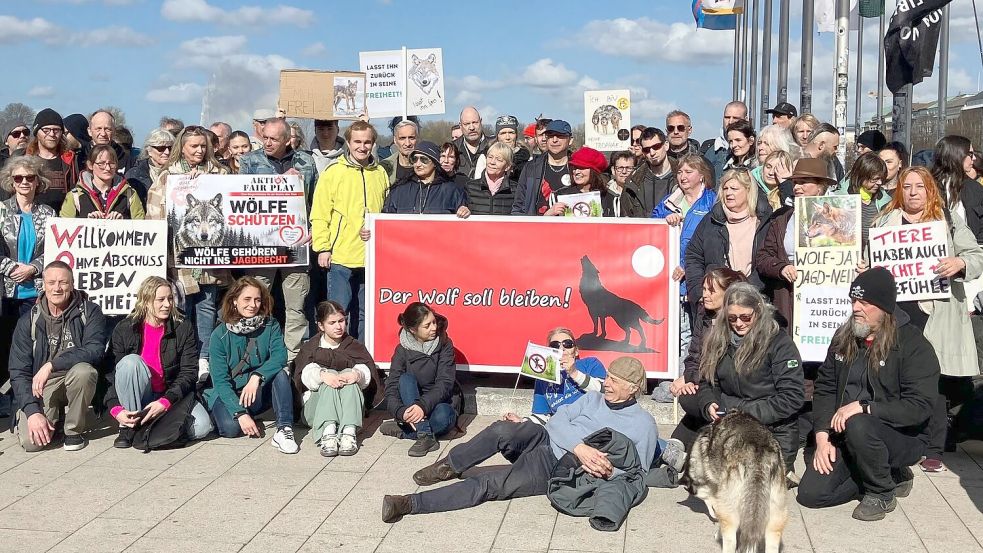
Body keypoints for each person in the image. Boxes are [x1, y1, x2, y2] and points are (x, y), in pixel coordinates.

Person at [381, 356, 659, 523]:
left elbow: (637, 473)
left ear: (633, 388)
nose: (606, 383)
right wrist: (580, 447)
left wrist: (604, 470)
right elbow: (558, 421)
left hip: (557, 467)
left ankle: (409, 504)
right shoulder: (593, 399)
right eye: (607, 377)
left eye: (614, 381)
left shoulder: (643, 424)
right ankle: (449, 466)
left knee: (489, 484)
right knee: (502, 429)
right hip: (547, 439)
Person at [797, 268, 938, 522]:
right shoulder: (844, 337)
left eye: (864, 302)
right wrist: (822, 436)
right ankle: (883, 473)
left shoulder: (912, 344)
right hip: (845, 433)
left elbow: (919, 406)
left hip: (900, 435)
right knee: (811, 495)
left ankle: (881, 491)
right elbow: (826, 387)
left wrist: (865, 407)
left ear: (884, 307)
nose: (856, 308)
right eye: (853, 300)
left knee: (859, 423)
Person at [869, 167, 983, 472]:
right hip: (895, 312)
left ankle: (934, 447)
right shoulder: (884, 221)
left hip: (935, 312)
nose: (913, 192)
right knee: (892, 375)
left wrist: (959, 262)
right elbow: (870, 260)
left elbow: (976, 256)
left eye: (920, 186)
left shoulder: (946, 220)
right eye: (907, 186)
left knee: (933, 378)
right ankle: (899, 439)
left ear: (930, 189)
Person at [692, 283, 804, 477]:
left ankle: (784, 472)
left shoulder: (779, 343)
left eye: (745, 317)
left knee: (750, 484)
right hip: (730, 428)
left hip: (772, 431)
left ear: (758, 311)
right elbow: (707, 382)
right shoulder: (718, 340)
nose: (739, 323)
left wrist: (742, 412)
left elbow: (792, 397)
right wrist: (708, 402)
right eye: (732, 318)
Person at [147, 126, 231, 379]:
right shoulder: (167, 176)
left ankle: (204, 360)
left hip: (211, 257)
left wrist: (206, 184)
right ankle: (181, 360)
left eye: (203, 145)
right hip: (179, 257)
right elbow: (154, 214)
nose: (199, 150)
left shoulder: (221, 174)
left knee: (206, 308)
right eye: (194, 146)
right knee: (180, 308)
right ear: (182, 148)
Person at [238, 117, 317, 364]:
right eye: (265, 137)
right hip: (261, 246)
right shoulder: (249, 161)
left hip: (296, 244)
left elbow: (316, 200)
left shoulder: (306, 161)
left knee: (296, 306)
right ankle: (255, 355)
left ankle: (292, 359)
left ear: (287, 140)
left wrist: (314, 228)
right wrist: (279, 181)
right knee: (254, 301)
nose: (268, 142)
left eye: (274, 139)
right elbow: (240, 199)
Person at [105, 276, 213, 448]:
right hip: (140, 395)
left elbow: (189, 372)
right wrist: (115, 409)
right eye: (160, 300)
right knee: (130, 363)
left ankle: (150, 427)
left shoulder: (183, 326)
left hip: (170, 394)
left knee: (202, 427)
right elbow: (109, 374)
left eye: (170, 298)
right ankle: (129, 426)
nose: (167, 304)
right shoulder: (125, 328)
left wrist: (165, 401)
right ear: (146, 301)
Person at [9, 261, 106, 451]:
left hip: (75, 377)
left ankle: (73, 431)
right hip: (42, 385)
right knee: (32, 444)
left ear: (72, 284)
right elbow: (18, 371)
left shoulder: (90, 311)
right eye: (51, 282)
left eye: (63, 282)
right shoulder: (28, 320)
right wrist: (32, 412)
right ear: (43, 285)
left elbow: (95, 350)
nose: (57, 288)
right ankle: (55, 419)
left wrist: (51, 365)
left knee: (84, 372)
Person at [312, 121, 389, 342]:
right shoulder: (333, 172)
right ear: (347, 142)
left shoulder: (380, 173)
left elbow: (385, 212)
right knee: (338, 313)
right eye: (357, 142)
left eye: (367, 142)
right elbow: (320, 213)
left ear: (373, 144)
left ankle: (361, 355)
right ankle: (335, 354)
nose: (362, 147)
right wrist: (323, 248)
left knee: (365, 313)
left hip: (371, 257)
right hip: (341, 256)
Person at [202, 277, 298, 453]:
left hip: (257, 389)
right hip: (230, 392)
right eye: (247, 299)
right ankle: (238, 414)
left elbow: (280, 356)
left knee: (280, 374)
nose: (253, 305)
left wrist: (257, 376)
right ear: (234, 300)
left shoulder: (271, 325)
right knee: (230, 429)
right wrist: (240, 413)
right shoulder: (219, 335)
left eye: (257, 299)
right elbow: (220, 381)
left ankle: (284, 428)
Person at [756, 158, 837, 330]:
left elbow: (853, 254)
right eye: (795, 182)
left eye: (803, 182)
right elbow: (763, 257)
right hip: (790, 297)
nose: (796, 187)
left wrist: (858, 265)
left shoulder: (840, 217)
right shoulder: (782, 218)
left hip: (828, 301)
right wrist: (781, 268)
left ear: (820, 186)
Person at [294, 300, 383, 457]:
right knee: (329, 377)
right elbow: (304, 376)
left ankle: (349, 432)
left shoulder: (354, 346)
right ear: (321, 326)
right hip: (316, 410)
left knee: (350, 375)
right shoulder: (311, 348)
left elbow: (366, 371)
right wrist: (322, 375)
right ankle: (328, 433)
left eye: (341, 321)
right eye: (332, 323)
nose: (338, 326)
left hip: (348, 411)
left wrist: (356, 375)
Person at [670, 268, 747, 447]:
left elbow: (728, 369)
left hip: (729, 389)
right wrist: (690, 379)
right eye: (704, 289)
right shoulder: (704, 314)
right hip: (705, 383)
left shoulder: (739, 323)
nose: (705, 295)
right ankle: (677, 449)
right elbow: (694, 356)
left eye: (711, 291)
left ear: (729, 293)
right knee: (688, 397)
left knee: (694, 401)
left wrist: (696, 381)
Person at [0, 156, 57, 396]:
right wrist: (11, 268)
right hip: (5, 292)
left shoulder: (48, 213)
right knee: (5, 345)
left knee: (31, 347)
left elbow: (54, 250)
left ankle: (28, 396)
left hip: (36, 291)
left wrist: (33, 268)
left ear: (37, 181)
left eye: (29, 177)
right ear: (11, 182)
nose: (24, 182)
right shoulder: (1, 211)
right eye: (18, 178)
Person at [653, 154, 718, 356]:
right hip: (672, 278)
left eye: (689, 172)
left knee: (698, 333)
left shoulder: (712, 201)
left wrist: (686, 265)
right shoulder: (668, 202)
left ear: (702, 175)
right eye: (680, 172)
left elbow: (712, 240)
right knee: (678, 334)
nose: (683, 176)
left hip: (699, 275)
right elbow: (651, 228)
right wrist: (666, 218)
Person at [685, 167, 772, 314]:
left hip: (755, 300)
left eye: (734, 189)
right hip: (715, 306)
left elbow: (769, 260)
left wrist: (746, 291)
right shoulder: (711, 221)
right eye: (725, 188)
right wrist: (699, 292)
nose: (728, 193)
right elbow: (693, 256)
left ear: (748, 191)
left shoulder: (765, 221)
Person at [379, 302, 462, 457]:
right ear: (413, 330)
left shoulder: (445, 344)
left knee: (445, 417)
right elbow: (391, 386)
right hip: (410, 402)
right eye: (427, 325)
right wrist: (401, 412)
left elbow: (445, 383)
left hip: (437, 403)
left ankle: (406, 431)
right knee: (405, 379)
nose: (434, 328)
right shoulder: (402, 350)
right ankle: (424, 433)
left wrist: (422, 406)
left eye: (434, 322)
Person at [503, 328, 606, 425]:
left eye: (567, 344)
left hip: (592, 421)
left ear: (576, 351)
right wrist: (522, 421)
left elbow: (604, 392)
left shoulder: (590, 363)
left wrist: (574, 373)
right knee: (502, 428)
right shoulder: (543, 377)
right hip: (564, 426)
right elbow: (542, 417)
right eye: (555, 345)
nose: (562, 348)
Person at [61, 144, 145, 220]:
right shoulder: (75, 196)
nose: (107, 168)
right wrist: (87, 223)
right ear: (90, 165)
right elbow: (63, 227)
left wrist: (123, 222)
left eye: (111, 163)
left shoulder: (130, 194)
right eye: (101, 163)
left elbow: (140, 225)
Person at [382, 141, 468, 215]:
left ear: (435, 163)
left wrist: (464, 211)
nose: (418, 164)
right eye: (414, 159)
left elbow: (462, 223)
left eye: (424, 160)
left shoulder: (452, 191)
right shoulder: (399, 191)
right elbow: (385, 220)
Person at [20, 108, 79, 210]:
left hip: (64, 216)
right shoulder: (25, 160)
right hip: (33, 214)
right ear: (37, 132)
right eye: (46, 130)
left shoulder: (71, 160)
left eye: (56, 130)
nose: (52, 134)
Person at [512, 120, 572, 215]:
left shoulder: (579, 167)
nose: (554, 140)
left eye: (560, 136)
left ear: (570, 140)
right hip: (537, 224)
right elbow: (519, 207)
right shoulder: (531, 168)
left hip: (572, 223)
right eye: (550, 136)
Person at [931, 135, 983, 241]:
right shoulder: (927, 187)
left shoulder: (975, 188)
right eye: (970, 154)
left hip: (971, 247)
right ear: (956, 154)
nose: (974, 158)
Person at [546, 146, 617, 217]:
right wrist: (549, 214)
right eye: (574, 168)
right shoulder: (558, 196)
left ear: (594, 172)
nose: (577, 172)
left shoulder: (610, 198)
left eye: (582, 168)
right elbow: (544, 223)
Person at [839, 152, 890, 244]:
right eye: (875, 179)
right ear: (861, 176)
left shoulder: (885, 202)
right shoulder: (840, 199)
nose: (879, 183)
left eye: (881, 179)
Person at [625, 127, 675, 217]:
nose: (652, 153)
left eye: (656, 147)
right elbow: (626, 219)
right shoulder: (633, 182)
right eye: (647, 150)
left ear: (666, 145)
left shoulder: (684, 176)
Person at [463, 141, 516, 216]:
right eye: (490, 157)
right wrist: (463, 209)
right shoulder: (470, 187)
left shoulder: (515, 190)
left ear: (507, 166)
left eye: (499, 160)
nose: (492, 162)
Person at [124, 128, 174, 206]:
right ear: (149, 150)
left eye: (170, 148)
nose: (167, 152)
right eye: (161, 148)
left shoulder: (180, 172)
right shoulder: (134, 175)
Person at [702, 100, 747, 182]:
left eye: (735, 118)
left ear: (746, 119)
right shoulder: (711, 151)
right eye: (727, 117)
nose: (730, 122)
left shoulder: (756, 150)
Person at [752, 124, 799, 196]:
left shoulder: (796, 176)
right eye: (759, 143)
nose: (760, 147)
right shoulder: (751, 177)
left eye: (767, 144)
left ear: (780, 145)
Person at [84, 109, 132, 173]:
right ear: (89, 131)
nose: (103, 134)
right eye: (98, 129)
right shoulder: (80, 157)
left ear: (114, 131)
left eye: (107, 129)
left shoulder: (126, 159)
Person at [453, 106, 491, 179]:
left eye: (475, 122)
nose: (471, 128)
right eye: (467, 124)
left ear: (481, 122)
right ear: (460, 126)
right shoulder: (453, 149)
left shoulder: (493, 146)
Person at [493, 115, 531, 180]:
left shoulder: (527, 160)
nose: (507, 137)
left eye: (511, 133)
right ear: (497, 136)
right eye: (503, 133)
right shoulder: (487, 158)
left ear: (516, 135)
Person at [381, 119, 418, 185]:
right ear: (395, 140)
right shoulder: (385, 167)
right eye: (402, 138)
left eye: (411, 138)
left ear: (417, 139)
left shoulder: (427, 165)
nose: (407, 143)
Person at [607, 151, 637, 217]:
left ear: (634, 171)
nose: (624, 172)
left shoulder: (640, 195)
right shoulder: (604, 195)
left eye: (628, 168)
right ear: (613, 170)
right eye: (620, 168)